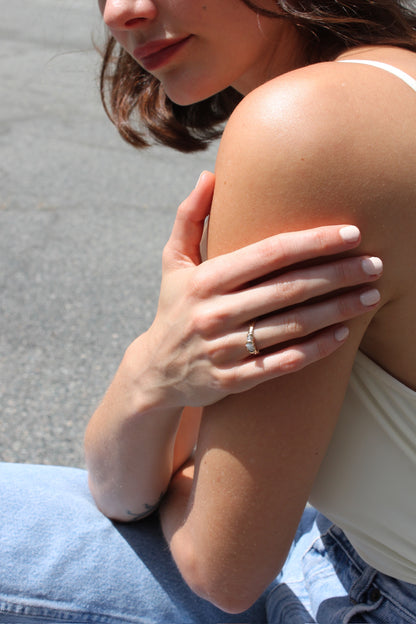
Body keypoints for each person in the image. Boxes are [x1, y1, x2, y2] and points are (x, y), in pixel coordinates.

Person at [1, 0, 415, 623]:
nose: (121, 13)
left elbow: (221, 565)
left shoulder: (310, 127)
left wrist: (155, 384)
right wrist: (153, 368)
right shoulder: (390, 79)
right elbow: (128, 482)